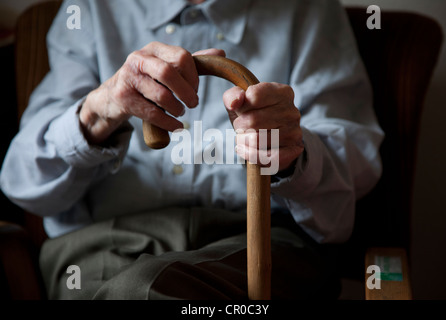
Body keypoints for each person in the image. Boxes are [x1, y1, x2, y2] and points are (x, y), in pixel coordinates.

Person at [0, 0, 384, 300]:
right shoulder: (86, 10)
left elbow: (354, 172)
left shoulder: (309, 10)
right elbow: (24, 182)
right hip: (103, 244)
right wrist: (100, 110)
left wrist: (289, 150)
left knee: (139, 293)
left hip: (261, 241)